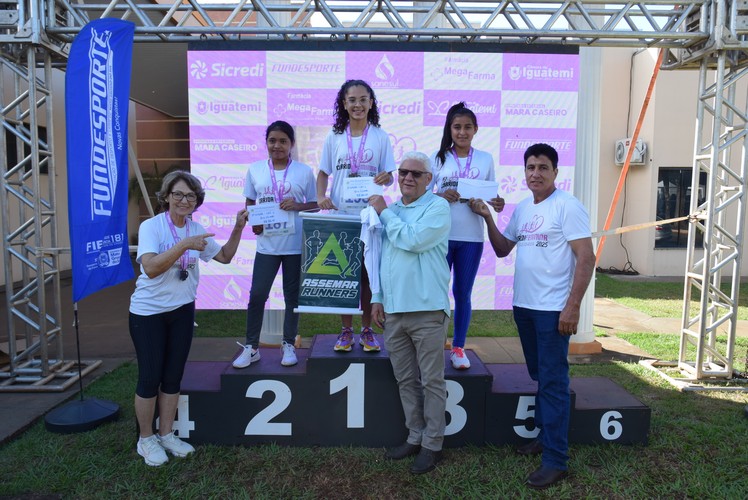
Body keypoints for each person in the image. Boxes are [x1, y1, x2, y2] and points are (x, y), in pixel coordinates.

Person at [469, 143, 595, 489]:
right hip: (524, 307)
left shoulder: (568, 206)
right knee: (541, 375)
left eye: (543, 167)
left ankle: (556, 459)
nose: (535, 173)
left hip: (553, 310)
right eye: (530, 168)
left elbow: (586, 258)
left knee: (553, 383)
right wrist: (487, 217)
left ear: (556, 172)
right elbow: (502, 248)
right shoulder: (524, 208)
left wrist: (572, 306)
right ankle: (544, 436)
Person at [129, 170, 248, 467]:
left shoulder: (196, 228)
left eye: (191, 196)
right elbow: (151, 268)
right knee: (149, 377)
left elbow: (224, 257)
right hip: (149, 313)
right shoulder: (152, 227)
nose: (184, 200)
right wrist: (183, 245)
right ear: (167, 196)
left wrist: (237, 228)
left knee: (172, 377)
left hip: (182, 310)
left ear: (197, 201)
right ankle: (146, 439)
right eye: (179, 194)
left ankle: (166, 433)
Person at [369, 151, 451, 475]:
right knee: (405, 380)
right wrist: (377, 297)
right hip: (394, 312)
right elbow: (384, 258)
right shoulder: (396, 209)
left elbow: (413, 240)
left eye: (416, 174)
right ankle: (414, 435)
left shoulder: (438, 207)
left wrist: (385, 213)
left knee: (431, 381)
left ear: (429, 179)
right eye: (403, 172)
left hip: (428, 310)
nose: (407, 178)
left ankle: (432, 444)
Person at [316, 79, 396, 353]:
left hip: (370, 218)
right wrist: (320, 197)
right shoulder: (334, 136)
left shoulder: (380, 136)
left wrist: (387, 177)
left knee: (366, 276)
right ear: (344, 103)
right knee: (344, 275)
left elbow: (388, 176)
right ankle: (345, 330)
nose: (358, 104)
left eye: (363, 99)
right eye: (352, 99)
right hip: (342, 216)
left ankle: (367, 330)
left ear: (371, 103)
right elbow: (323, 173)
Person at [233, 121, 318, 369]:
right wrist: (253, 222)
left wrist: (297, 206)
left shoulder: (303, 171)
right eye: (272, 140)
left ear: (291, 144)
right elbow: (250, 202)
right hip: (267, 245)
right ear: (266, 142)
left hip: (294, 245)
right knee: (257, 295)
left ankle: (288, 343)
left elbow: (313, 204)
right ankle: (251, 346)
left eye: (283, 141)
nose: (277, 145)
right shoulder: (256, 170)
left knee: (292, 297)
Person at [429, 102, 504, 370]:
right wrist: (440, 195)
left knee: (463, 292)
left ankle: (458, 347)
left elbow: (491, 194)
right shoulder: (438, 158)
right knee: (436, 293)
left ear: (476, 130)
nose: (462, 132)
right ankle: (433, 345)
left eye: (467, 127)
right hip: (441, 235)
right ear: (449, 129)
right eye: (457, 127)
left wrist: (497, 203)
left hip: (472, 236)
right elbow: (421, 196)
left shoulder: (485, 159)